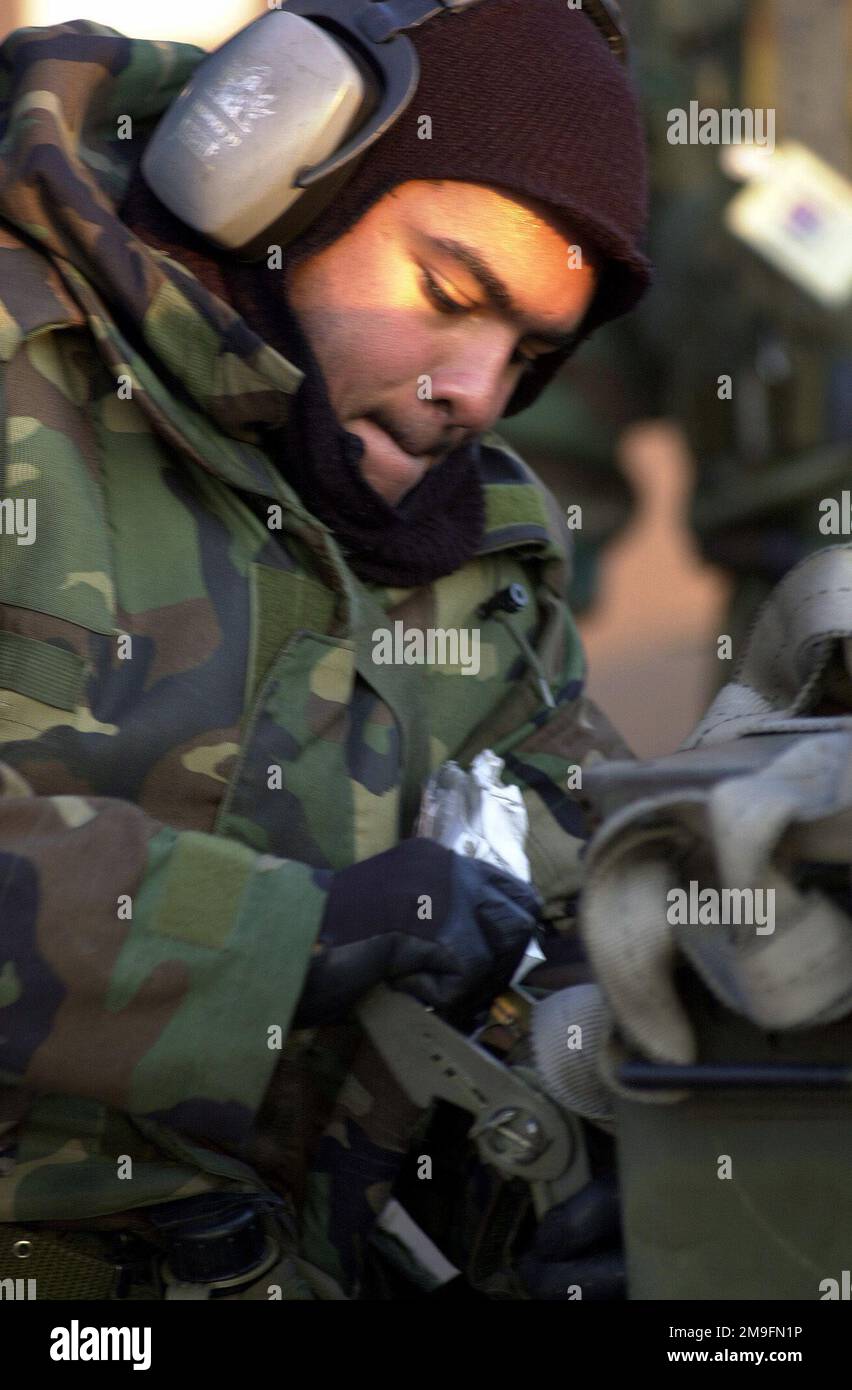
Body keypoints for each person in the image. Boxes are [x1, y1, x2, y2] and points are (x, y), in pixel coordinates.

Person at [0, 1, 649, 1299]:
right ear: (267, 179)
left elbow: (597, 877)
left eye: (529, 352)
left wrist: (634, 1126)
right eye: (451, 294)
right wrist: (278, 940)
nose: (475, 390)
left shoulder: (481, 554)